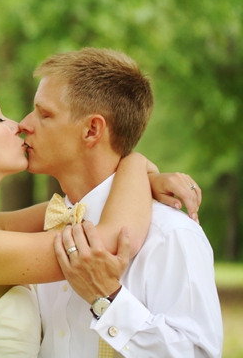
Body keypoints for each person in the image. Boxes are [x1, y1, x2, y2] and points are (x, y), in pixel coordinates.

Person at [0, 77, 197, 358]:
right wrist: (135, 163)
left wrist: (147, 183)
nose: (19, 126)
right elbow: (105, 242)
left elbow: (82, 208)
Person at [19, 48, 223, 357]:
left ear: (92, 130)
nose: (24, 124)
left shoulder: (171, 235)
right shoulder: (44, 230)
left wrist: (107, 299)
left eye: (44, 114)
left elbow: (198, 353)